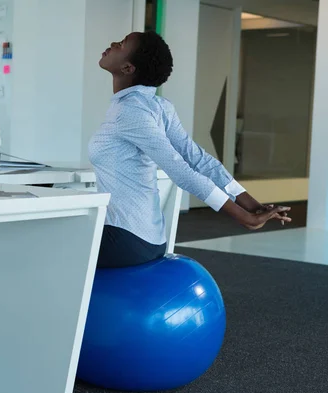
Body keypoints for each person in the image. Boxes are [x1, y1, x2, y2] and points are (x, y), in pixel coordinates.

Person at [90, 31, 291, 269]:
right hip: (150, 238)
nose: (112, 43)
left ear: (127, 68)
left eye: (121, 44)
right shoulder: (158, 106)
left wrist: (246, 216)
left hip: (125, 240)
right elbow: (199, 160)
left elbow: (182, 170)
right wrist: (252, 204)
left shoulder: (130, 111)